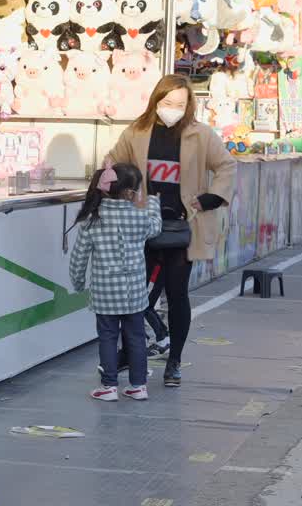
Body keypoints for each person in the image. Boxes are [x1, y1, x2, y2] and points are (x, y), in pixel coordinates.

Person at [108, 74, 236, 388]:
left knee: (177, 295)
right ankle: (130, 353)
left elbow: (226, 166)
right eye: (167, 102)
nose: (173, 109)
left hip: (183, 226)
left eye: (180, 104)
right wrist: (118, 191)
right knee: (134, 297)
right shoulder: (137, 131)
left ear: (189, 104)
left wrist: (209, 199)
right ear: (156, 101)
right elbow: (113, 162)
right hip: (142, 226)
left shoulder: (201, 134)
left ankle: (174, 360)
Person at [69, 162, 162, 402]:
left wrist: (78, 283)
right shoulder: (139, 217)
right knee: (137, 337)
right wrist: (152, 201)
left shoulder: (92, 219)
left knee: (108, 337)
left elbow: (79, 257)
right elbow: (156, 227)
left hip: (105, 292)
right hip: (134, 293)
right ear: (130, 193)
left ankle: (109, 386)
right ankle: (138, 386)